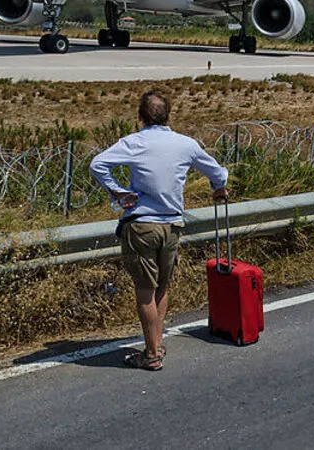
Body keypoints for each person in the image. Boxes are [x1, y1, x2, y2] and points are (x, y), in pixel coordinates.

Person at [90, 91, 230, 371]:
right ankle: (157, 341)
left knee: (144, 290)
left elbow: (97, 164)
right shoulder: (185, 144)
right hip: (172, 226)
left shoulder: (135, 142)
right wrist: (218, 189)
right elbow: (218, 173)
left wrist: (118, 191)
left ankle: (152, 354)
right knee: (161, 287)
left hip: (141, 225)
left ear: (140, 117)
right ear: (168, 116)